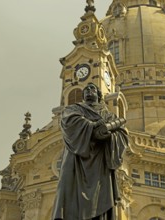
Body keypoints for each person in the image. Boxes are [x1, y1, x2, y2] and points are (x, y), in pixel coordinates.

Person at [52, 83, 128, 220]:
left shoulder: (109, 116)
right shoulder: (73, 109)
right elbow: (69, 122)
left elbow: (122, 135)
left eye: (92, 88)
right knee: (69, 195)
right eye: (86, 89)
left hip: (100, 162)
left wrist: (108, 135)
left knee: (100, 200)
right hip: (76, 159)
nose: (89, 91)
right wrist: (94, 127)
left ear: (99, 95)